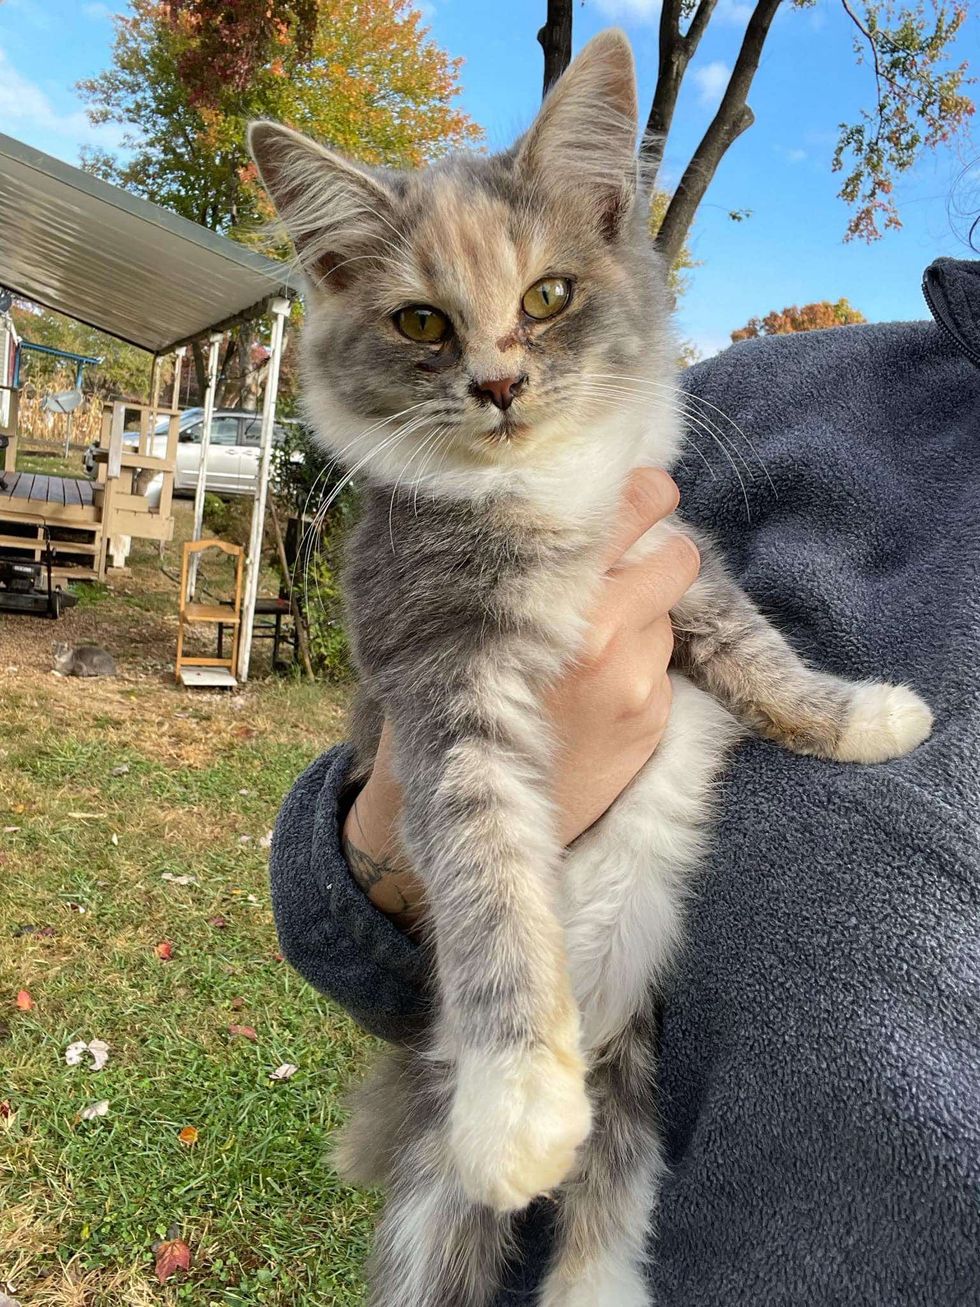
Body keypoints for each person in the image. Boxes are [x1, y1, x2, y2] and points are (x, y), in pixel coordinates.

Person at [270, 256, 980, 1305]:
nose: (499, 366)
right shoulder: (771, 401)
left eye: (542, 303)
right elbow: (342, 920)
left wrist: (804, 707)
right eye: (427, 320)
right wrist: (388, 850)